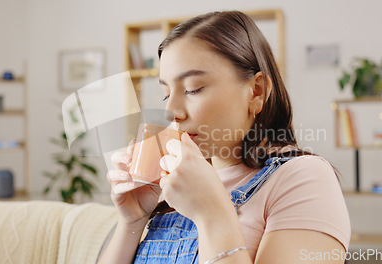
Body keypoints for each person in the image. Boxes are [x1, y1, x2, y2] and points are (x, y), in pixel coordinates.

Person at [99, 10, 350, 264]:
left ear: (256, 91)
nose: (170, 112)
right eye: (166, 94)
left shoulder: (303, 178)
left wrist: (213, 215)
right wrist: (132, 221)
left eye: (192, 89)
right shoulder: (174, 186)